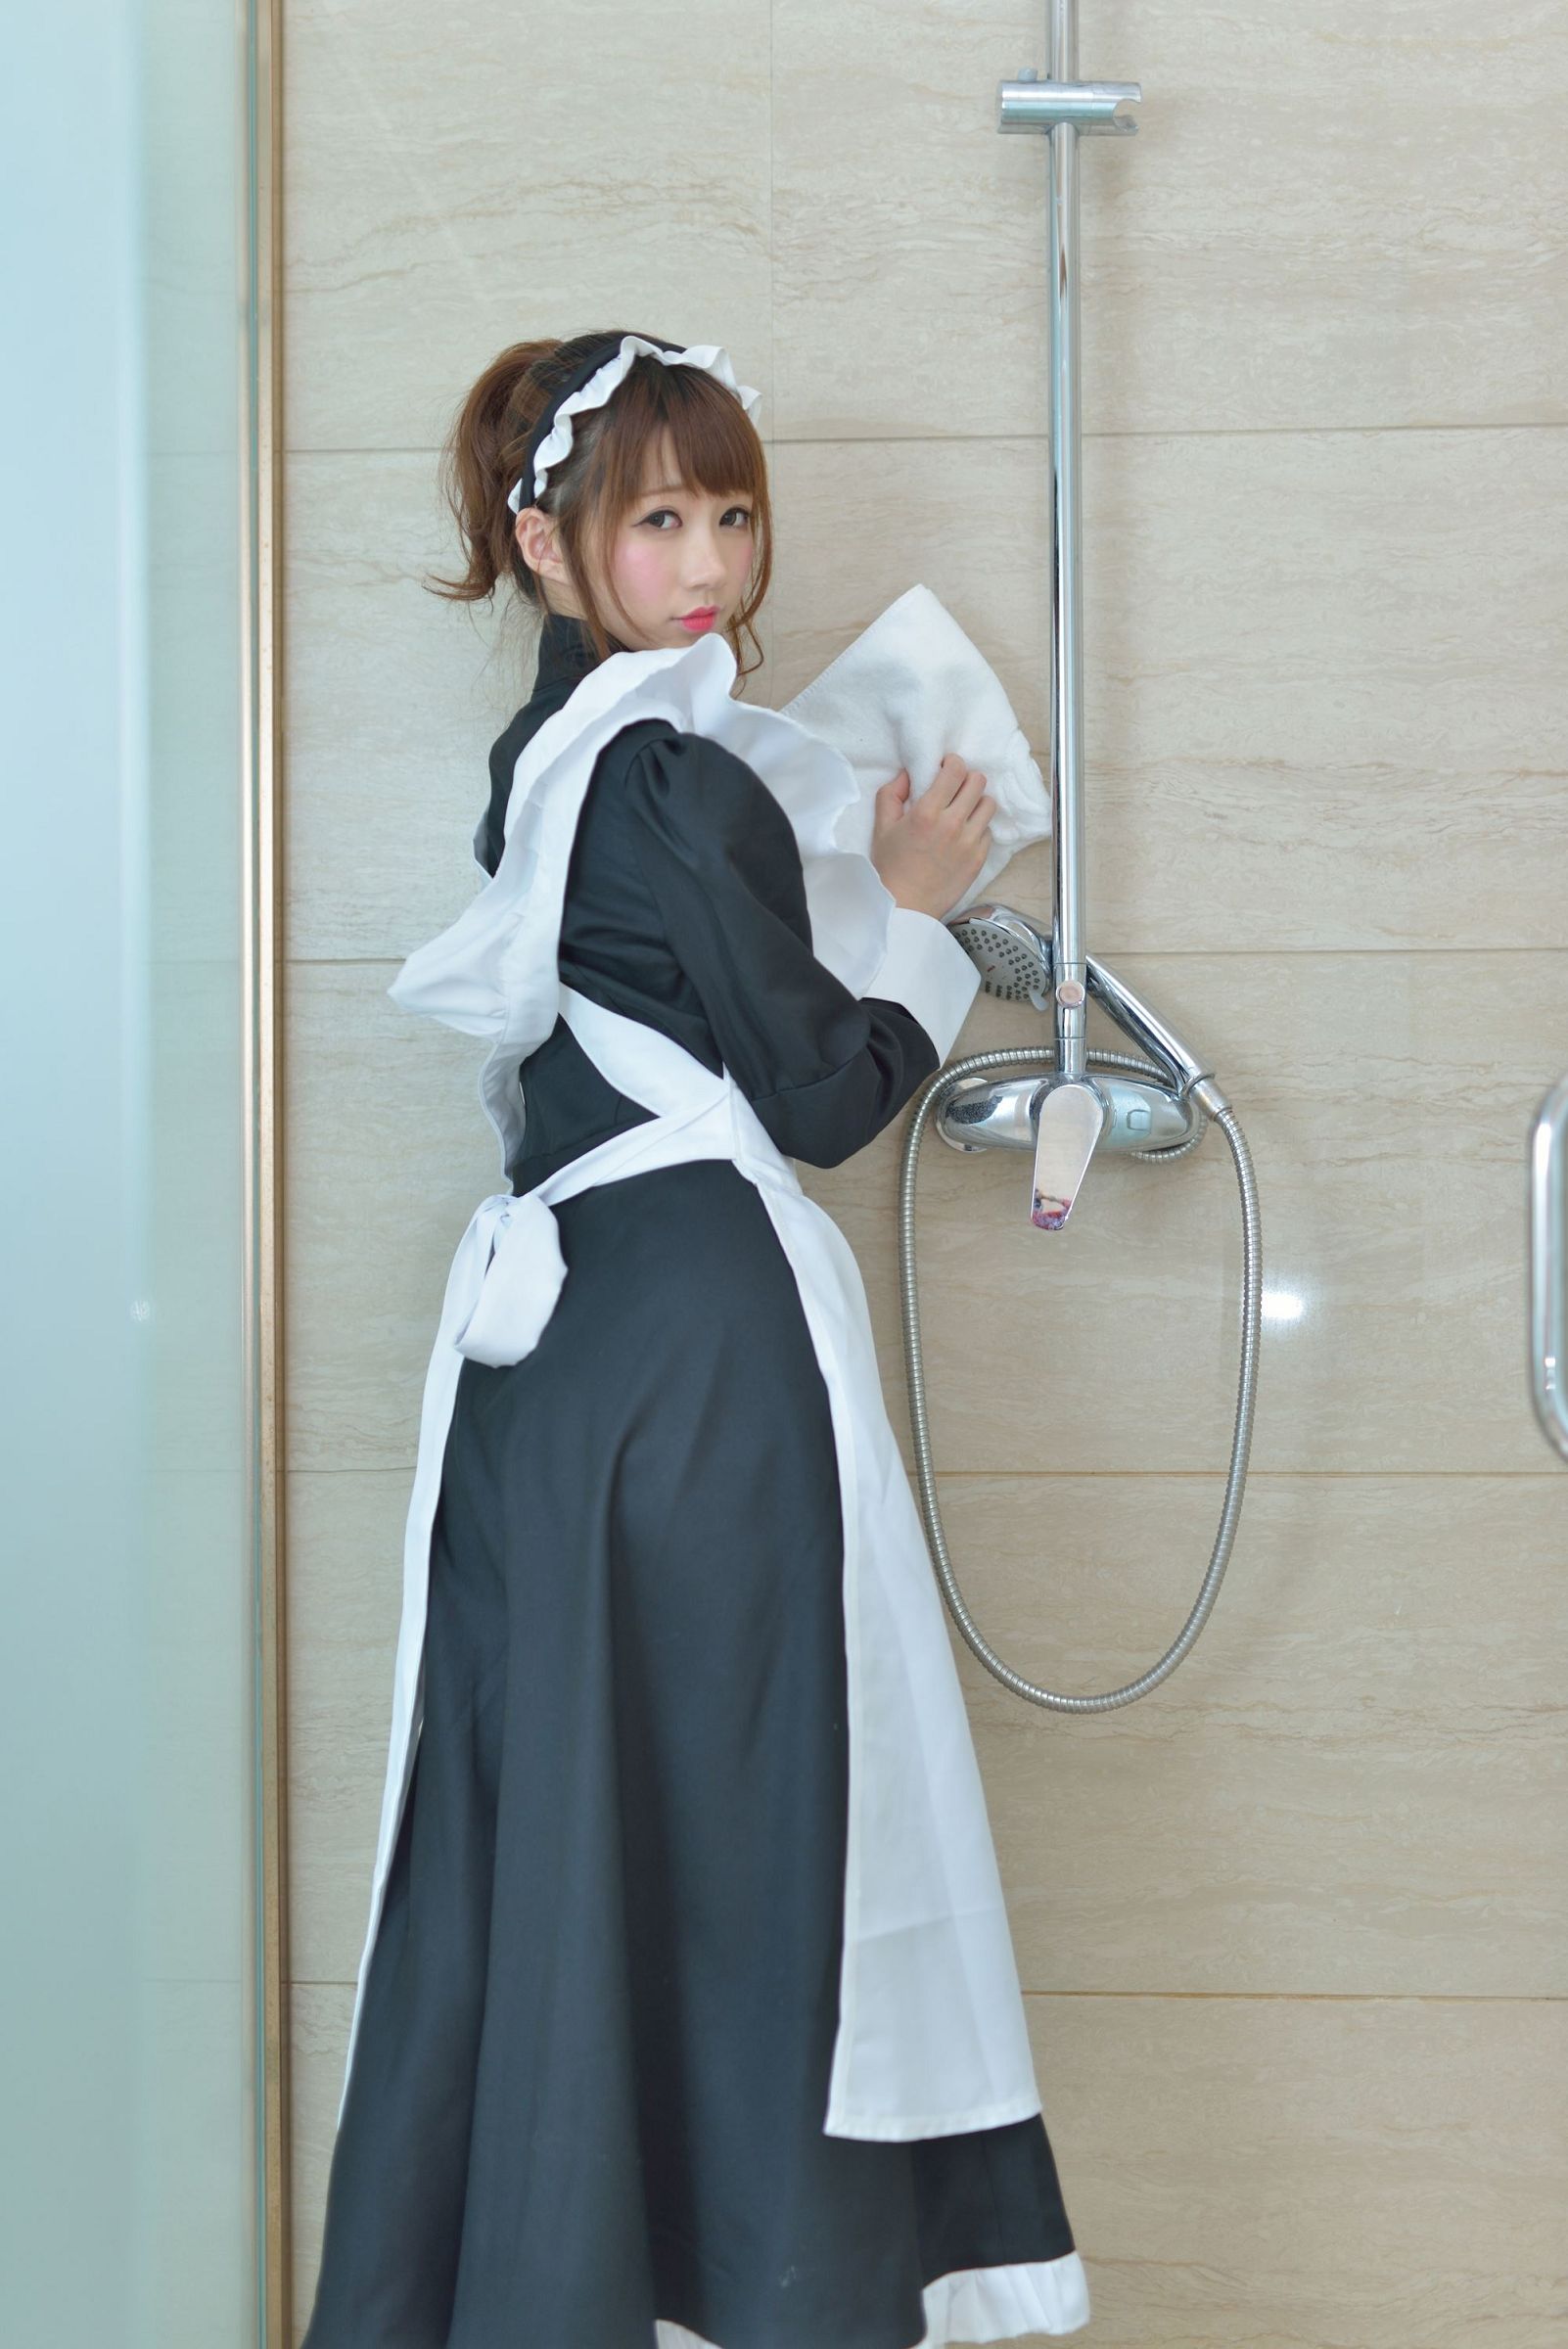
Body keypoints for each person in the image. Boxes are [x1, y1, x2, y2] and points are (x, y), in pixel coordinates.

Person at [299, 331, 1091, 2349]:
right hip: (699, 1358)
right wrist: (919, 909)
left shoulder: (550, 763)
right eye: (657, 519)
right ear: (544, 544)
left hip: (568, 1361)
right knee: (755, 1831)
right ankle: (766, 2287)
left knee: (571, 1823)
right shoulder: (666, 770)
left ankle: (549, 2282)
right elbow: (823, 1098)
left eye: (731, 513)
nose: (711, 562)